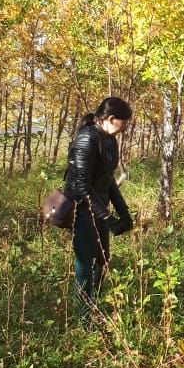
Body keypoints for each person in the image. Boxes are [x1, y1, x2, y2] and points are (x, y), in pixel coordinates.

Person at [63, 96, 134, 322]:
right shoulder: (87, 139)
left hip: (98, 208)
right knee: (86, 262)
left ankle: (93, 306)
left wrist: (123, 211)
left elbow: (108, 180)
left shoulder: (109, 138)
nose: (125, 128)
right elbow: (82, 185)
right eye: (123, 123)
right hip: (81, 210)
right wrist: (107, 217)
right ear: (111, 119)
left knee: (103, 261)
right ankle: (84, 318)